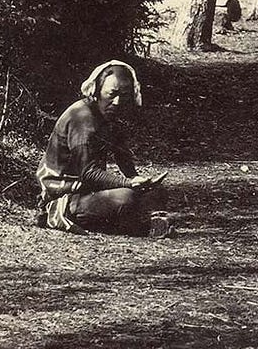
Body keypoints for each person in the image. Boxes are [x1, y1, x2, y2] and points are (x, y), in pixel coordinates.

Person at [36, 60, 171, 236]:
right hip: (67, 196)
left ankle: (143, 219)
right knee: (126, 198)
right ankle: (144, 225)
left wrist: (138, 180)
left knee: (157, 191)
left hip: (91, 190)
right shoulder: (82, 119)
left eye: (124, 95)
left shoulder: (108, 115)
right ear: (97, 90)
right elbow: (88, 173)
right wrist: (128, 183)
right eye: (112, 94)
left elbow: (122, 154)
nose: (117, 101)